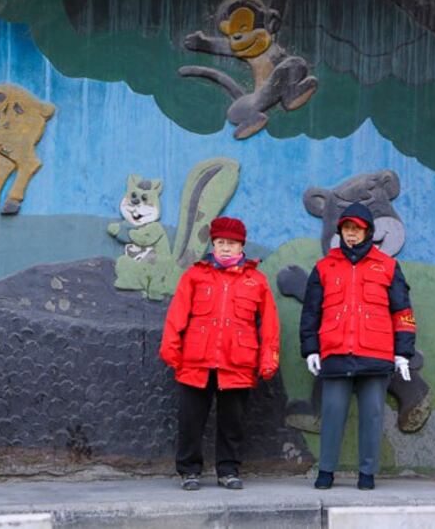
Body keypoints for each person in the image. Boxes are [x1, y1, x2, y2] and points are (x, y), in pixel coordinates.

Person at [300, 202, 415, 490]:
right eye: (347, 229)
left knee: (372, 417)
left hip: (375, 354)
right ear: (340, 231)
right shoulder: (325, 266)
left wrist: (402, 353)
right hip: (336, 352)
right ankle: (326, 471)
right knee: (332, 414)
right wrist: (311, 348)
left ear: (368, 231)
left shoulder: (388, 266)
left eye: (357, 229)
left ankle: (367, 474)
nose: (351, 234)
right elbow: (311, 312)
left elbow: (402, 311)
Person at [160, 217, 280, 490]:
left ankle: (228, 470)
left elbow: (270, 325)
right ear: (213, 244)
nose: (226, 248)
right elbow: (176, 315)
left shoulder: (256, 281)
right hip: (195, 362)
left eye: (232, 243)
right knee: (190, 421)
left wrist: (268, 360)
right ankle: (189, 470)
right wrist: (171, 350)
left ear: (242, 247)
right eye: (221, 242)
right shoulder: (195, 275)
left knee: (232, 423)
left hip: (237, 363)